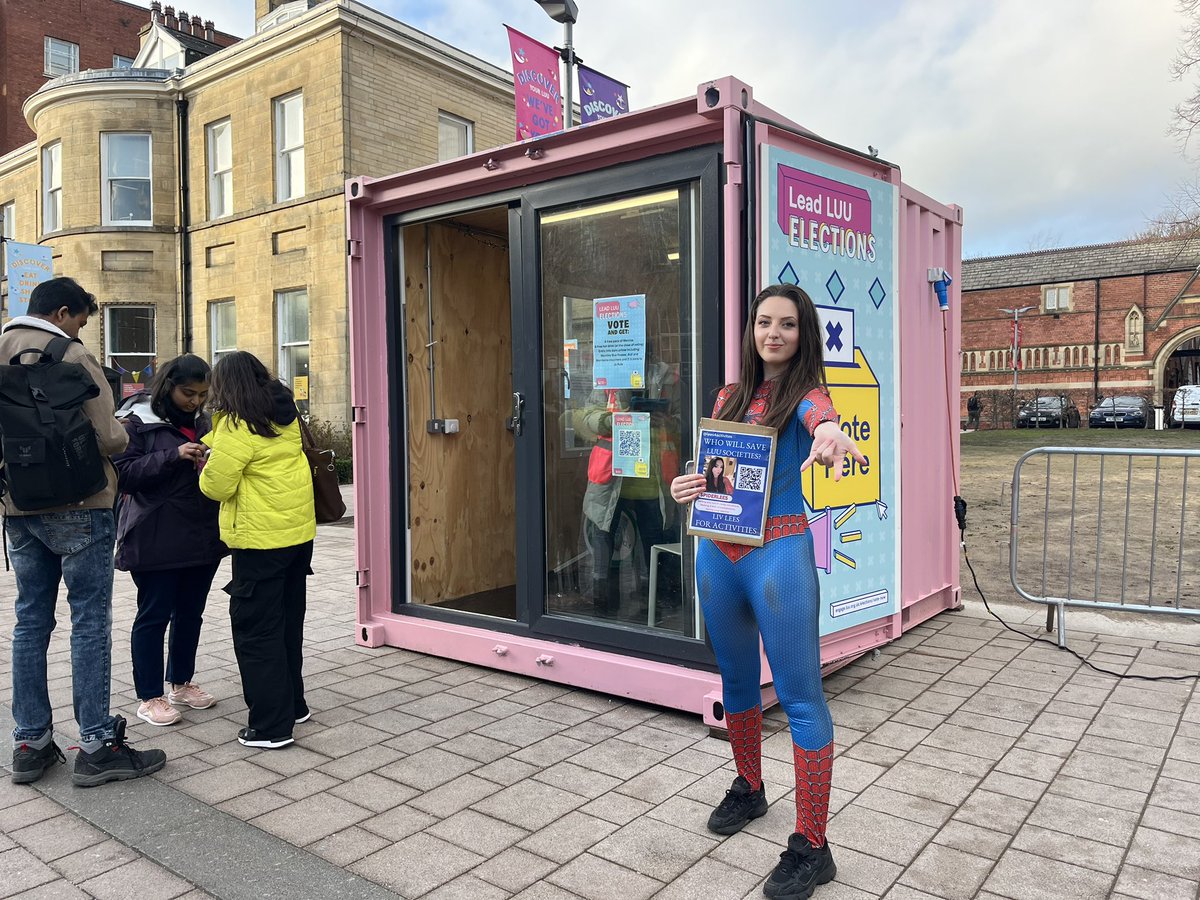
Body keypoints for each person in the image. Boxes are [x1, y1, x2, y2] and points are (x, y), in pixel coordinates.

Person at [670, 284, 866, 900]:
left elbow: (822, 422)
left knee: (802, 698)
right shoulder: (728, 395)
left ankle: (813, 845)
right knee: (734, 684)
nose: (773, 333)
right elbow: (717, 472)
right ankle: (750, 788)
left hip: (778, 556)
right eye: (763, 322)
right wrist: (690, 485)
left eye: (786, 324)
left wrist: (831, 436)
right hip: (718, 555)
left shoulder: (808, 396)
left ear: (804, 333)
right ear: (751, 329)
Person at [2, 276, 166, 786]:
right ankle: (96, 744)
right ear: (63, 312)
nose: (81, 330)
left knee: (30, 620)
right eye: (81, 320)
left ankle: (30, 743)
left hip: (18, 507)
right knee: (89, 622)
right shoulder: (70, 355)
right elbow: (112, 438)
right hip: (81, 505)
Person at [199, 351, 315, 749]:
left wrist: (205, 465)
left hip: (259, 543)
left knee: (256, 632)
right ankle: (293, 705)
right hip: (297, 538)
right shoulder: (284, 414)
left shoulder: (236, 423)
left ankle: (270, 726)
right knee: (287, 625)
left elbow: (217, 487)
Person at [113, 354, 226, 727]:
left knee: (190, 613)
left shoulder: (205, 422)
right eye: (187, 393)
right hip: (155, 534)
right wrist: (172, 455)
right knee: (154, 615)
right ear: (167, 387)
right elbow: (123, 475)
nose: (194, 402)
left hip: (201, 533)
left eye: (202, 395)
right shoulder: (136, 422)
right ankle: (149, 697)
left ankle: (181, 682)